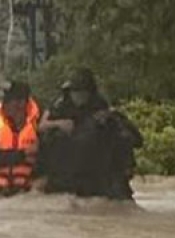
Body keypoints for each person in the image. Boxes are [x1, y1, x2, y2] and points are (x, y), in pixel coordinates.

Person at [38, 68, 140, 200]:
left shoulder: (99, 104)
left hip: (95, 158)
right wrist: (59, 123)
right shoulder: (60, 104)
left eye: (81, 92)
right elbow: (41, 126)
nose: (77, 96)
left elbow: (126, 135)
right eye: (75, 92)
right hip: (65, 157)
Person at [0, 80, 40, 198]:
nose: (3, 104)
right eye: (4, 101)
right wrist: (23, 154)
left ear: (22, 103)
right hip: (0, 192)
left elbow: (47, 159)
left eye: (8, 101)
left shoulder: (38, 126)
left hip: (30, 193)